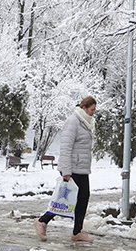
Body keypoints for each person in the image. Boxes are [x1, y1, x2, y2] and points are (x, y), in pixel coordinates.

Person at [36, 96, 97, 243]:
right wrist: (66, 171)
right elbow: (66, 147)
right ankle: (42, 221)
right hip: (72, 168)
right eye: (91, 109)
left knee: (82, 199)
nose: (93, 113)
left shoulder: (87, 123)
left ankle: (77, 232)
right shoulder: (73, 121)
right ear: (84, 107)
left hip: (82, 168)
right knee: (63, 199)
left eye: (94, 110)